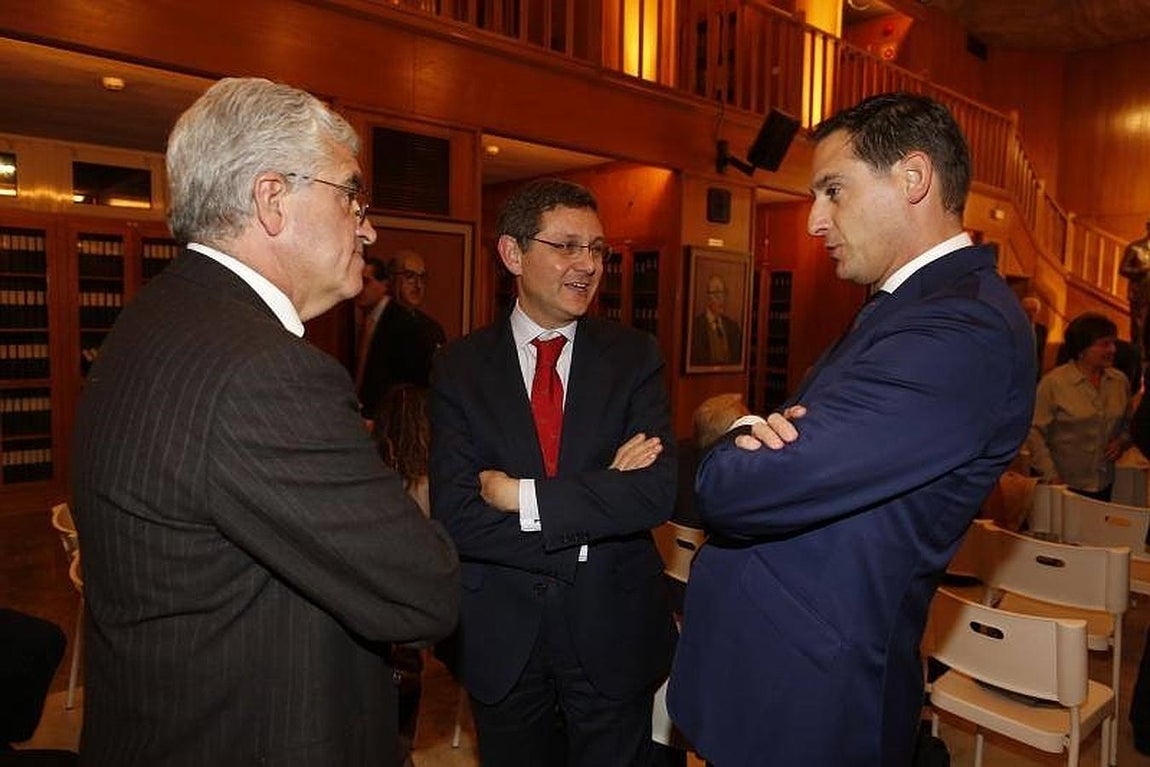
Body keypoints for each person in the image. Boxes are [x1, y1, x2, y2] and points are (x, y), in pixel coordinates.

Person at [70, 77, 459, 765]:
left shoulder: (156, 313)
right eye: (351, 196)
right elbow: (423, 590)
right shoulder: (264, 370)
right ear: (273, 198)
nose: (367, 227)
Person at [667, 92, 1036, 766]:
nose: (815, 220)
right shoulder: (905, 309)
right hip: (768, 675)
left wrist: (732, 426)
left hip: (811, 697)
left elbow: (739, 488)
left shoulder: (961, 328)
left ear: (914, 177)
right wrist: (756, 433)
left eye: (833, 190)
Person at [429, 178, 677, 767]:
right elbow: (458, 517)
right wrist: (590, 520)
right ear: (512, 253)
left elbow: (652, 495)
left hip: (613, 630)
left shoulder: (634, 356)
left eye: (597, 249)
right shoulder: (459, 366)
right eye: (566, 246)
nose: (587, 265)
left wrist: (521, 496)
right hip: (501, 635)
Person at [372, 384, 434, 767]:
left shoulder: (366, 475)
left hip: (373, 603)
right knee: (406, 682)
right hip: (411, 608)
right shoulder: (429, 483)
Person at [1028, 312, 1131, 501]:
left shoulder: (1119, 381)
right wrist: (1050, 475)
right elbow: (1035, 432)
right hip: (1062, 485)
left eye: (1113, 343)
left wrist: (1122, 441)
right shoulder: (1054, 383)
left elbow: (1128, 424)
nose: (1113, 350)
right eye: (1104, 344)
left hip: (1105, 483)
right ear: (1082, 348)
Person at [358, 250, 446, 421]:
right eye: (410, 276)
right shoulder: (370, 318)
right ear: (391, 279)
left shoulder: (431, 329)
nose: (418, 285)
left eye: (422, 278)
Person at [353, 256, 391, 397]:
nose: (359, 288)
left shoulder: (399, 321)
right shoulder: (364, 319)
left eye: (366, 281)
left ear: (385, 285)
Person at [689, 274, 743, 366]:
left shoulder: (733, 327)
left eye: (723, 294)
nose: (722, 299)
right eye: (717, 295)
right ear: (708, 298)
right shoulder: (695, 326)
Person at [1120, 219, 1150, 359]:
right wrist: (1141, 270)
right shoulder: (1135, 248)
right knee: (1139, 330)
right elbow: (1123, 269)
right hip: (1140, 295)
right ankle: (1137, 360)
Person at [1021, 295, 1047, 378]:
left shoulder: (1042, 330)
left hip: (1035, 373)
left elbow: (1040, 354)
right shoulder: (1015, 329)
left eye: (1034, 310)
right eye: (1027, 311)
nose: (1031, 314)